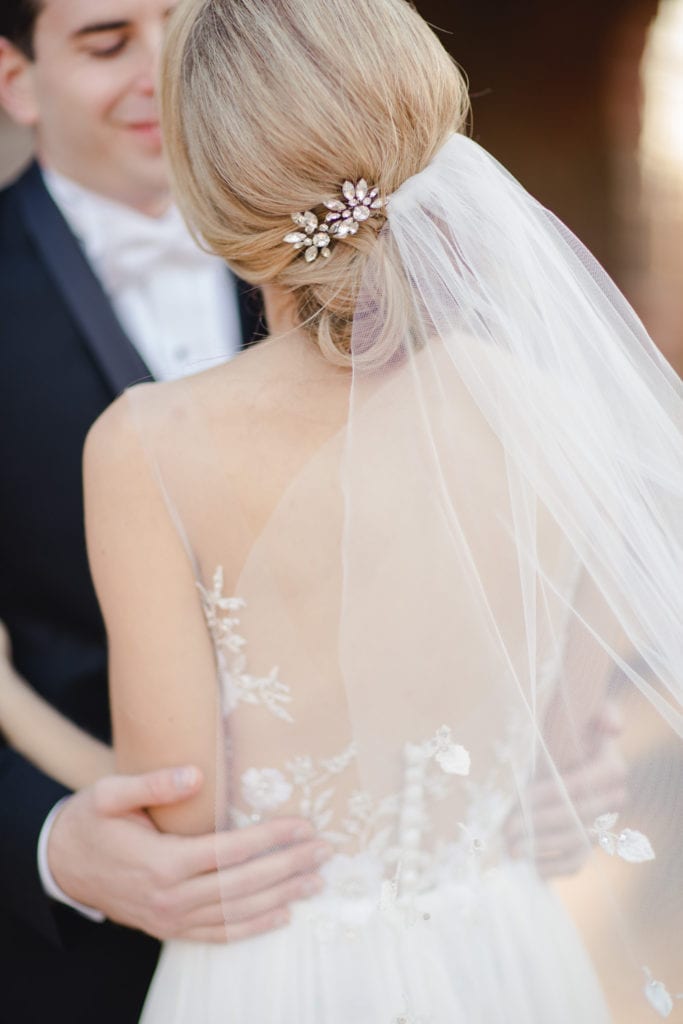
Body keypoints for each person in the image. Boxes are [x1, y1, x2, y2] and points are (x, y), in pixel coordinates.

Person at [8, 1, 682, 1022]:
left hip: (271, 978)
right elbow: (557, 761)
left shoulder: (148, 442)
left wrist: (9, 700)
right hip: (507, 961)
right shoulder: (543, 404)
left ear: (210, 187)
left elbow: (182, 824)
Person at [0, 2, 335, 1022]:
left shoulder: (349, 269)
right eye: (108, 43)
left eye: (186, 32)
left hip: (370, 924)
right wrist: (49, 844)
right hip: (75, 960)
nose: (163, 74)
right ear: (15, 80)